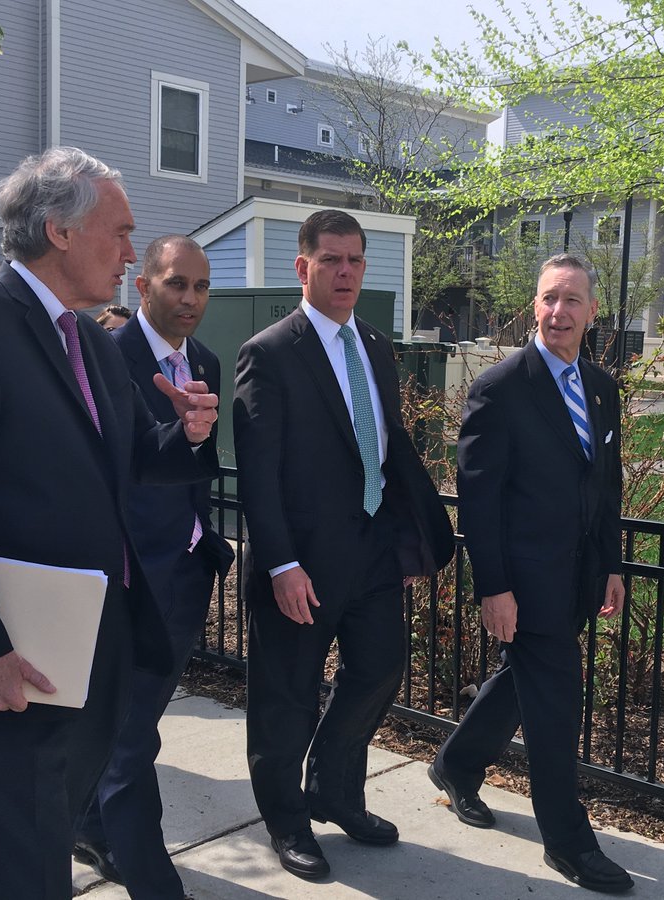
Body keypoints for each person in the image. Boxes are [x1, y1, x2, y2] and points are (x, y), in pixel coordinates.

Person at [0, 147, 220, 900]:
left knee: (42, 864)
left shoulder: (91, 342)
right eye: (121, 232)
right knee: (9, 876)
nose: (132, 252)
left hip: (76, 658)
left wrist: (189, 435)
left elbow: (132, 459)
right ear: (60, 231)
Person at [232, 209, 453, 880]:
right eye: (332, 260)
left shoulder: (376, 346)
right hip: (300, 562)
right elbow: (258, 474)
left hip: (373, 550)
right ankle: (287, 820)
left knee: (381, 666)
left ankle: (334, 789)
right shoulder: (270, 353)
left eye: (356, 259)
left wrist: (403, 537)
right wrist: (281, 563)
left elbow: (383, 449)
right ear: (303, 267)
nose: (346, 271)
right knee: (287, 696)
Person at [427, 254, 633, 893]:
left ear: (592, 311)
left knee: (523, 682)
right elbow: (479, 499)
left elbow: (605, 485)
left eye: (571, 300)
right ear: (534, 306)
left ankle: (457, 765)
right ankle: (568, 843)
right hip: (524, 581)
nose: (557, 311)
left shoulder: (600, 388)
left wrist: (610, 565)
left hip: (577, 579)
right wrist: (493, 587)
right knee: (556, 708)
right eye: (548, 298)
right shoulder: (501, 387)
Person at [73, 235, 232, 897]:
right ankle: (148, 873)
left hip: (187, 569)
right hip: (128, 576)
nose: (190, 298)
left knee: (133, 724)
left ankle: (89, 824)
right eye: (176, 283)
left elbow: (194, 464)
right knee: (133, 734)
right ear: (143, 285)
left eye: (201, 286)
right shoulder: (106, 358)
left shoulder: (207, 361)